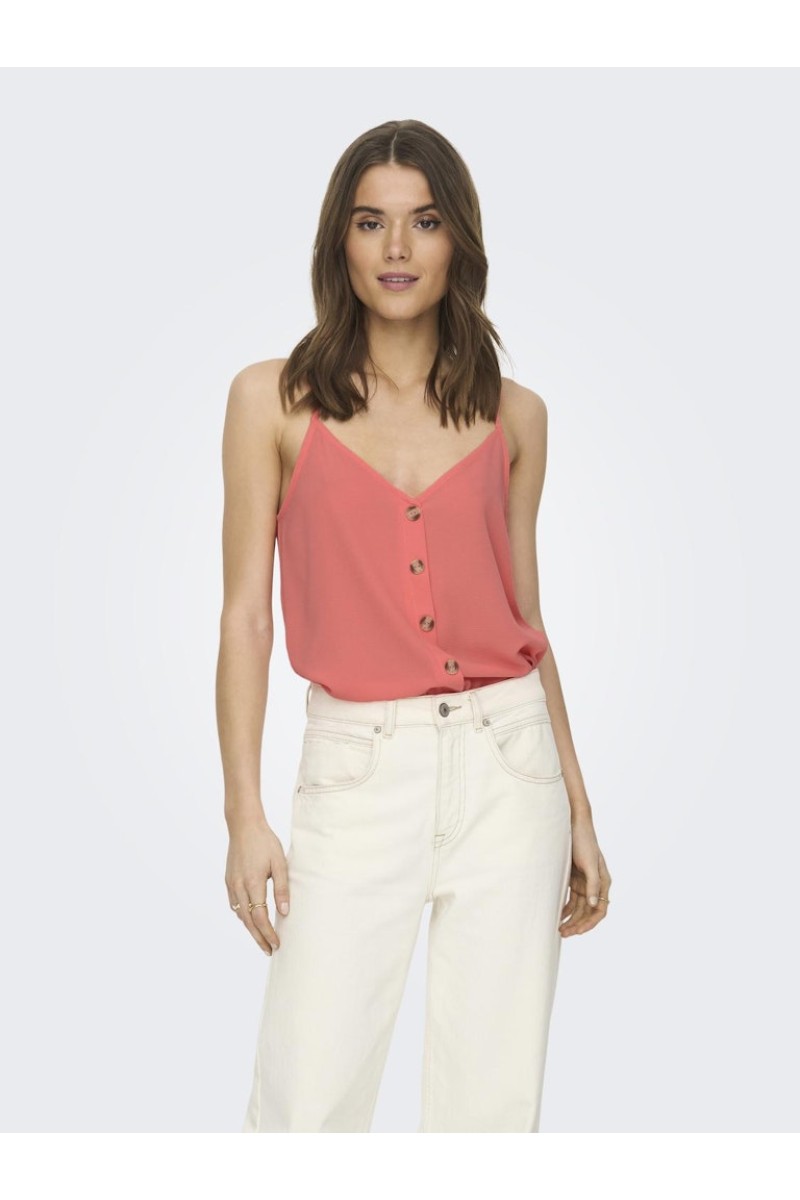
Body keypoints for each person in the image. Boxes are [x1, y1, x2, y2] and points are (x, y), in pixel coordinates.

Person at [217, 118, 612, 1133]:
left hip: (509, 767)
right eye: (370, 222)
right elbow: (245, 618)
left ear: (457, 241)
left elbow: (526, 620)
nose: (396, 248)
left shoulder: (515, 416)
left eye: (424, 222)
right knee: (304, 1103)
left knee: (490, 1111)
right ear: (338, 242)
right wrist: (243, 813)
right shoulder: (271, 401)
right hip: (356, 771)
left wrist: (576, 804)